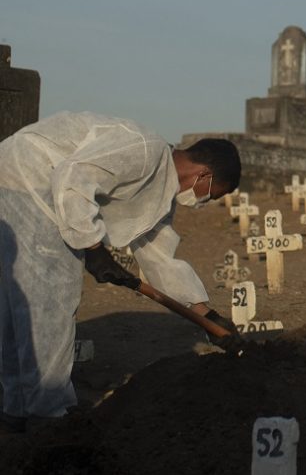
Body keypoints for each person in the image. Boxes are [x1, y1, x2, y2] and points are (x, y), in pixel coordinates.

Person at [0, 112, 241, 432]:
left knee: (21, 300)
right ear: (204, 175)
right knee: (52, 294)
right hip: (31, 172)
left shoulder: (162, 193)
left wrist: (206, 315)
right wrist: (95, 248)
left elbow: (160, 260)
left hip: (26, 179)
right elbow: (73, 176)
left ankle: (15, 409)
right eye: (213, 194)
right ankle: (49, 415)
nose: (205, 201)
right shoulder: (145, 151)